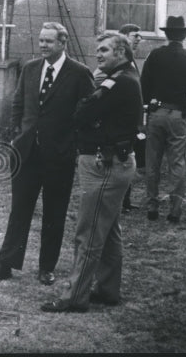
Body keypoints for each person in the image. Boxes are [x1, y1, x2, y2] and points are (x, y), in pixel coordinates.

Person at [0, 22, 94, 286]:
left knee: (55, 212)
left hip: (59, 156)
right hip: (26, 153)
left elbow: (87, 114)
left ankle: (46, 267)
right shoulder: (30, 69)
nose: (43, 45)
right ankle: (5, 264)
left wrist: (72, 145)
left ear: (62, 43)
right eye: (41, 40)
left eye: (49, 41)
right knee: (19, 210)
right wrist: (16, 136)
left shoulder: (79, 73)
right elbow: (18, 105)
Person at [41, 32, 143, 313]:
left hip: (105, 165)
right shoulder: (125, 77)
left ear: (121, 53)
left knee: (88, 234)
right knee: (108, 231)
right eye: (98, 50)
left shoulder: (118, 81)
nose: (98, 55)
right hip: (113, 163)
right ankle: (108, 290)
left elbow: (82, 112)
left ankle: (74, 297)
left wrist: (90, 102)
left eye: (105, 50)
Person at [141, 15, 186, 223]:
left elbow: (143, 86)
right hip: (178, 116)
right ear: (184, 34)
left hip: (156, 114)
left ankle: (152, 207)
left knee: (153, 161)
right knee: (176, 162)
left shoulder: (155, 56)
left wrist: (150, 103)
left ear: (167, 34)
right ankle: (174, 211)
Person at [96, 23, 145, 213]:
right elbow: (100, 85)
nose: (139, 39)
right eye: (135, 35)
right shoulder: (109, 68)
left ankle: (125, 201)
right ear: (123, 38)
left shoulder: (129, 63)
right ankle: (121, 202)